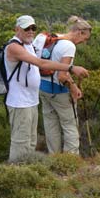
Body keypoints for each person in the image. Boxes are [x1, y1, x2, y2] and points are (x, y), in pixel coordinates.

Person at [4, 15, 89, 162]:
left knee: (38, 135)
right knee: (23, 141)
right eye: (26, 28)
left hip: (37, 95)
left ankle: (49, 160)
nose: (31, 31)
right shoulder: (15, 47)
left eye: (33, 28)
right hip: (25, 100)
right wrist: (71, 72)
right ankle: (69, 161)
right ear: (17, 29)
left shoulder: (37, 40)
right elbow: (46, 67)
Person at [33, 17, 92, 155]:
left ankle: (55, 157)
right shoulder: (69, 46)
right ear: (79, 32)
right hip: (59, 91)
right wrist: (74, 88)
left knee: (51, 125)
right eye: (85, 38)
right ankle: (70, 159)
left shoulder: (51, 38)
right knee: (69, 125)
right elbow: (62, 76)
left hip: (42, 87)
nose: (84, 42)